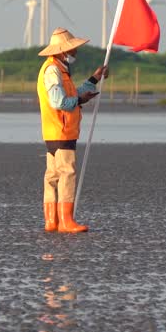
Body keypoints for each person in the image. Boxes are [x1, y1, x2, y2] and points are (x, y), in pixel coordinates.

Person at [37, 27, 108, 233]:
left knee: (52, 175)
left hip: (53, 130)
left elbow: (71, 93)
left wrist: (94, 79)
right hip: (62, 129)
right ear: (62, 51)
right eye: (72, 48)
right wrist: (79, 100)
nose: (76, 52)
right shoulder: (53, 70)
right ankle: (66, 222)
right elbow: (59, 101)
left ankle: (52, 222)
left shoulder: (56, 68)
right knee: (67, 173)